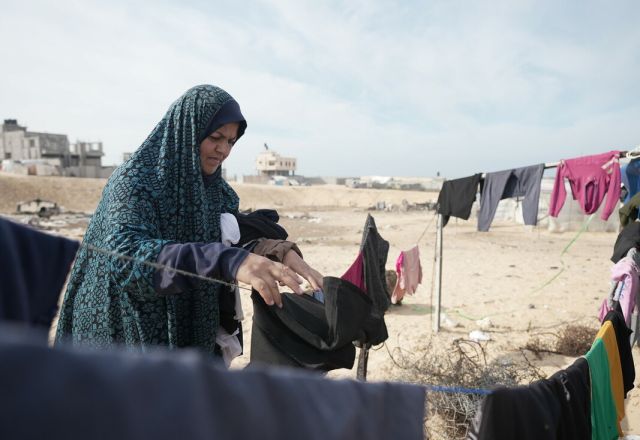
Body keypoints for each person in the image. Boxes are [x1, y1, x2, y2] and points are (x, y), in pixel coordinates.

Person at [55, 84, 323, 359]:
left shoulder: (215, 190)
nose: (223, 150)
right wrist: (222, 260)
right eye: (216, 137)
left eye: (231, 141)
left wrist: (275, 250)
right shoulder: (134, 183)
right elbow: (127, 259)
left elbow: (225, 232)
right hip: (121, 333)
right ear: (188, 132)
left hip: (183, 332)